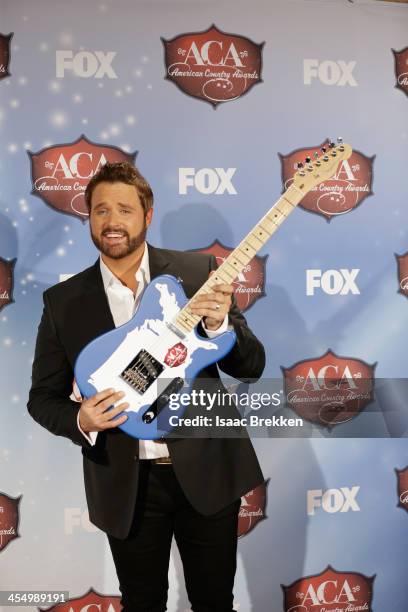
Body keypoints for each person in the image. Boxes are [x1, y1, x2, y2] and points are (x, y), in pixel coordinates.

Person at [27, 162, 265, 612]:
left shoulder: (197, 274)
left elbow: (251, 364)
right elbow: (42, 399)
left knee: (215, 601)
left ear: (147, 215)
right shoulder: (63, 303)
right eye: (99, 211)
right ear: (88, 218)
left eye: (124, 209)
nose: (111, 222)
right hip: (127, 483)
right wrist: (82, 418)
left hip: (208, 469)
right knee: (142, 602)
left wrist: (217, 327)